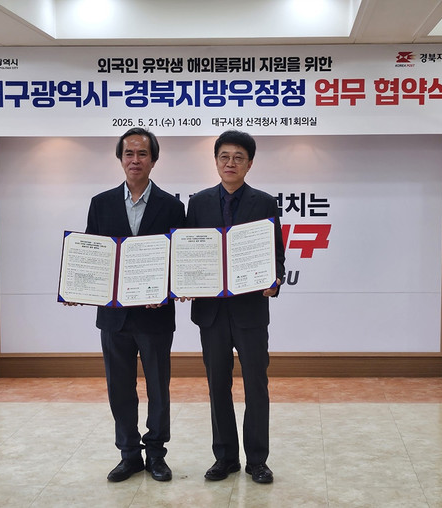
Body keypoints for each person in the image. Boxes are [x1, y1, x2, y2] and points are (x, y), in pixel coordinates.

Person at [75, 127, 185, 482]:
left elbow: (178, 261)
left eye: (142, 154)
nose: (135, 160)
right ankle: (129, 454)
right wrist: (79, 287)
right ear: (120, 158)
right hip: (114, 317)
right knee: (119, 388)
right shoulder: (101, 203)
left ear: (153, 160)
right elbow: (93, 255)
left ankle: (156, 454)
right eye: (129, 153)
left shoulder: (172, 206)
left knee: (158, 388)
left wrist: (166, 290)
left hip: (155, 315)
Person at [184, 130, 285, 484]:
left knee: (256, 384)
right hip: (211, 312)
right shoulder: (198, 203)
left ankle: (257, 460)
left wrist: (275, 280)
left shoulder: (265, 203)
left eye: (238, 157)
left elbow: (276, 254)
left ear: (250, 163)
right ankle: (225, 457)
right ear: (215, 161)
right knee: (217, 385)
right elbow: (189, 252)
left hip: (250, 310)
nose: (231, 163)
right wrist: (184, 282)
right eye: (224, 156)